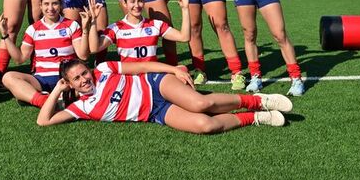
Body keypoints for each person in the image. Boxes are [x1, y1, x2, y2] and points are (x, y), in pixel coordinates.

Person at [36, 58, 293, 133]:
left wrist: (173, 69)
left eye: (84, 73)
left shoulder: (103, 69)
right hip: (153, 112)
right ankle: (255, 117)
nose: (84, 79)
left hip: (156, 85)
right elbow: (43, 121)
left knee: (200, 103)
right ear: (70, 84)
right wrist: (58, 90)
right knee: (204, 125)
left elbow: (142, 67)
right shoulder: (81, 108)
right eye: (77, 79)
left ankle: (259, 100)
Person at [0, 0, 90, 108]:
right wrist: (5, 36)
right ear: (40, 6)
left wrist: (85, 29)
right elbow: (20, 58)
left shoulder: (71, 25)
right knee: (8, 77)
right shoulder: (33, 29)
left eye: (55, 3)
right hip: (41, 79)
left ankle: (34, 97)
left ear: (61, 5)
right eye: (46, 4)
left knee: (92, 80)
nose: (50, 8)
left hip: (66, 78)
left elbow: (83, 55)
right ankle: (46, 101)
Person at [87, 0, 190, 62]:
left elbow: (184, 37)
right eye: (132, 2)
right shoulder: (116, 28)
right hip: (129, 77)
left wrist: (185, 9)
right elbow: (94, 49)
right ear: (125, 4)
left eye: (140, 1)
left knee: (182, 71)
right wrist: (93, 21)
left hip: (151, 76)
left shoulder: (155, 25)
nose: (137, 5)